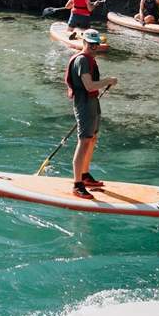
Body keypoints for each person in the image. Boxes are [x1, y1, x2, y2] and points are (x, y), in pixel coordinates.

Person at [64, 29, 117, 197]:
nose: (94, 47)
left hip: (93, 102)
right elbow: (89, 86)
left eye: (96, 45)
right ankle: (77, 184)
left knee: (92, 138)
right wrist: (107, 81)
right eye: (91, 44)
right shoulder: (82, 60)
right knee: (84, 141)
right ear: (85, 42)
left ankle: (85, 175)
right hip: (84, 103)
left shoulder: (90, 59)